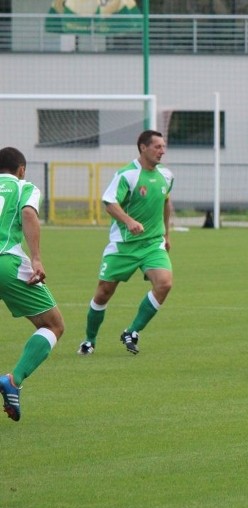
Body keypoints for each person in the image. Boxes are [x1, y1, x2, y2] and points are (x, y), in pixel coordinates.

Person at [77, 130, 174, 356]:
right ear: (143, 147)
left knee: (165, 284)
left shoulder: (166, 176)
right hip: (124, 246)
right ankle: (89, 340)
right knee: (103, 293)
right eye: (158, 147)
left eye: (163, 146)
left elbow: (166, 204)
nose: (163, 151)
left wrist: (167, 236)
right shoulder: (127, 175)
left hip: (152, 244)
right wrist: (129, 221)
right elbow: (109, 202)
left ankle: (132, 331)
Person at [0, 147, 65, 422]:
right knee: (53, 325)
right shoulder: (23, 185)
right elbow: (28, 214)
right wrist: (36, 258)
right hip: (6, 262)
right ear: (21, 169)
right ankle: (14, 381)